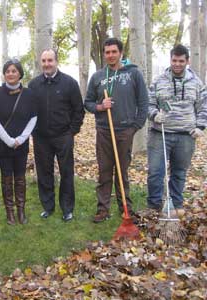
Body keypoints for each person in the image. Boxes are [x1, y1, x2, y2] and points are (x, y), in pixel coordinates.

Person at [84, 38, 148, 223]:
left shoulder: (133, 73)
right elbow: (87, 103)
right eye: (107, 52)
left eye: (114, 51)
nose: (110, 55)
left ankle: (125, 207)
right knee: (104, 171)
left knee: (122, 171)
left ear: (120, 53)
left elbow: (143, 102)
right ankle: (103, 209)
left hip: (125, 130)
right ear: (104, 54)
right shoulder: (97, 77)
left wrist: (135, 126)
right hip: (104, 131)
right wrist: (100, 107)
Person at [147, 44, 207, 211]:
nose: (177, 64)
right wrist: (153, 115)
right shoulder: (159, 81)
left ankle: (175, 206)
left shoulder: (196, 82)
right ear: (170, 60)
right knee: (155, 173)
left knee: (179, 173)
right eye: (174, 60)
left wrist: (201, 126)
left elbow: (204, 106)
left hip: (186, 136)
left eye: (181, 61)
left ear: (187, 61)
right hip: (160, 134)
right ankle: (154, 207)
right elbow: (148, 103)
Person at [28, 49, 85, 222]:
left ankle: (67, 208)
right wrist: (33, 130)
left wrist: (72, 131)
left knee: (66, 172)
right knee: (44, 173)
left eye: (50, 60)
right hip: (41, 137)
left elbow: (78, 110)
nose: (47, 64)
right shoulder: (33, 85)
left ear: (56, 61)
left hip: (63, 136)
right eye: (44, 61)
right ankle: (48, 206)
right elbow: (29, 110)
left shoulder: (69, 83)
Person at [0, 59, 37, 225]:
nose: (10, 74)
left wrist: (22, 138)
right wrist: (8, 140)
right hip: (4, 145)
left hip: (21, 145)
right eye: (7, 71)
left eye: (14, 71)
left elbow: (33, 117)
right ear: (4, 74)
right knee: (7, 179)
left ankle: (21, 211)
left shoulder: (29, 94)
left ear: (20, 73)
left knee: (21, 178)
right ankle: (10, 212)